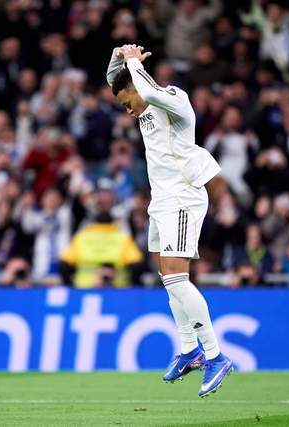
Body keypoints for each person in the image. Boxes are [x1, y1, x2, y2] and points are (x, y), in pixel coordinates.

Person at [106, 44, 232, 397]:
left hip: (182, 197)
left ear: (138, 85)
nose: (129, 110)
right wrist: (119, 57)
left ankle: (215, 355)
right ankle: (189, 349)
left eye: (127, 102)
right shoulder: (142, 101)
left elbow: (147, 91)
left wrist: (134, 65)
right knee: (168, 278)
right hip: (161, 200)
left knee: (177, 279)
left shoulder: (174, 100)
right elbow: (115, 79)